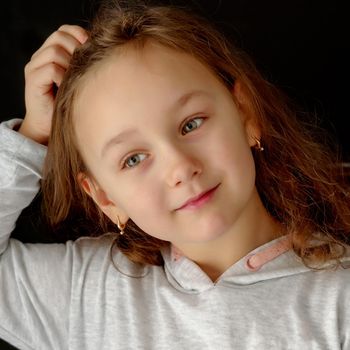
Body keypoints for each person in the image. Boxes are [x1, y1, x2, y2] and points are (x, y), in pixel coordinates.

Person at [1, 0, 350, 349]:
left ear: (244, 113)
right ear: (106, 198)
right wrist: (30, 138)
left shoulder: (339, 299)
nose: (180, 168)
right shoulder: (84, 292)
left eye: (191, 124)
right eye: (134, 159)